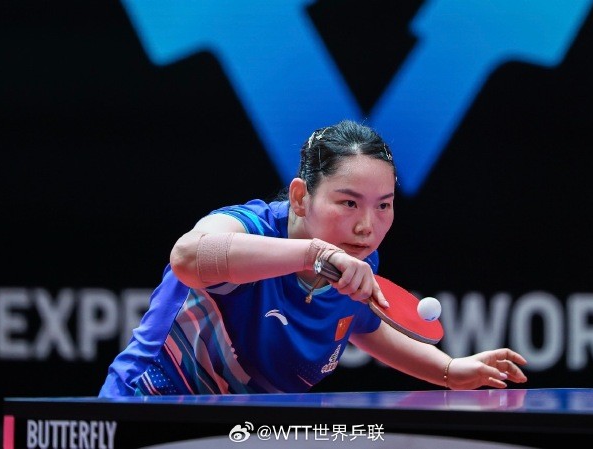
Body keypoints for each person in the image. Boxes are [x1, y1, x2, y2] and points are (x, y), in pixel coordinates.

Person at [99, 119, 527, 397]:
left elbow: (366, 325)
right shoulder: (248, 227)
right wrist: (313, 254)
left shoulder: (357, 265)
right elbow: (188, 258)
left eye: (383, 205)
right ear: (301, 197)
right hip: (148, 409)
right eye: (349, 203)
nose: (367, 226)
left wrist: (449, 370)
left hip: (241, 433)